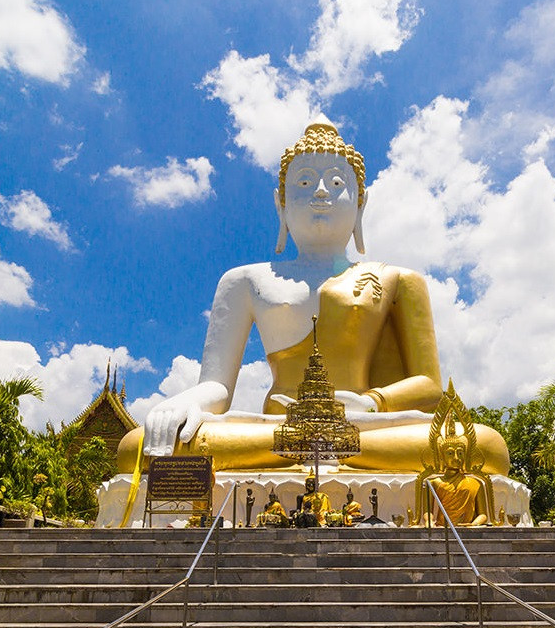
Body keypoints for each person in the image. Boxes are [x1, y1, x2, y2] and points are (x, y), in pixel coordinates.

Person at [115, 119, 508, 475]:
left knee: (483, 446)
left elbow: (428, 385)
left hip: (364, 424)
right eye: (304, 183)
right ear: (281, 204)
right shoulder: (245, 280)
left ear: (360, 204)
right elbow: (217, 386)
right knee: (141, 446)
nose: (321, 192)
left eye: (337, 183)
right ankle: (326, 450)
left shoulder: (397, 279)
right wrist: (188, 403)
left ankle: (326, 448)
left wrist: (370, 403)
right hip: (280, 428)